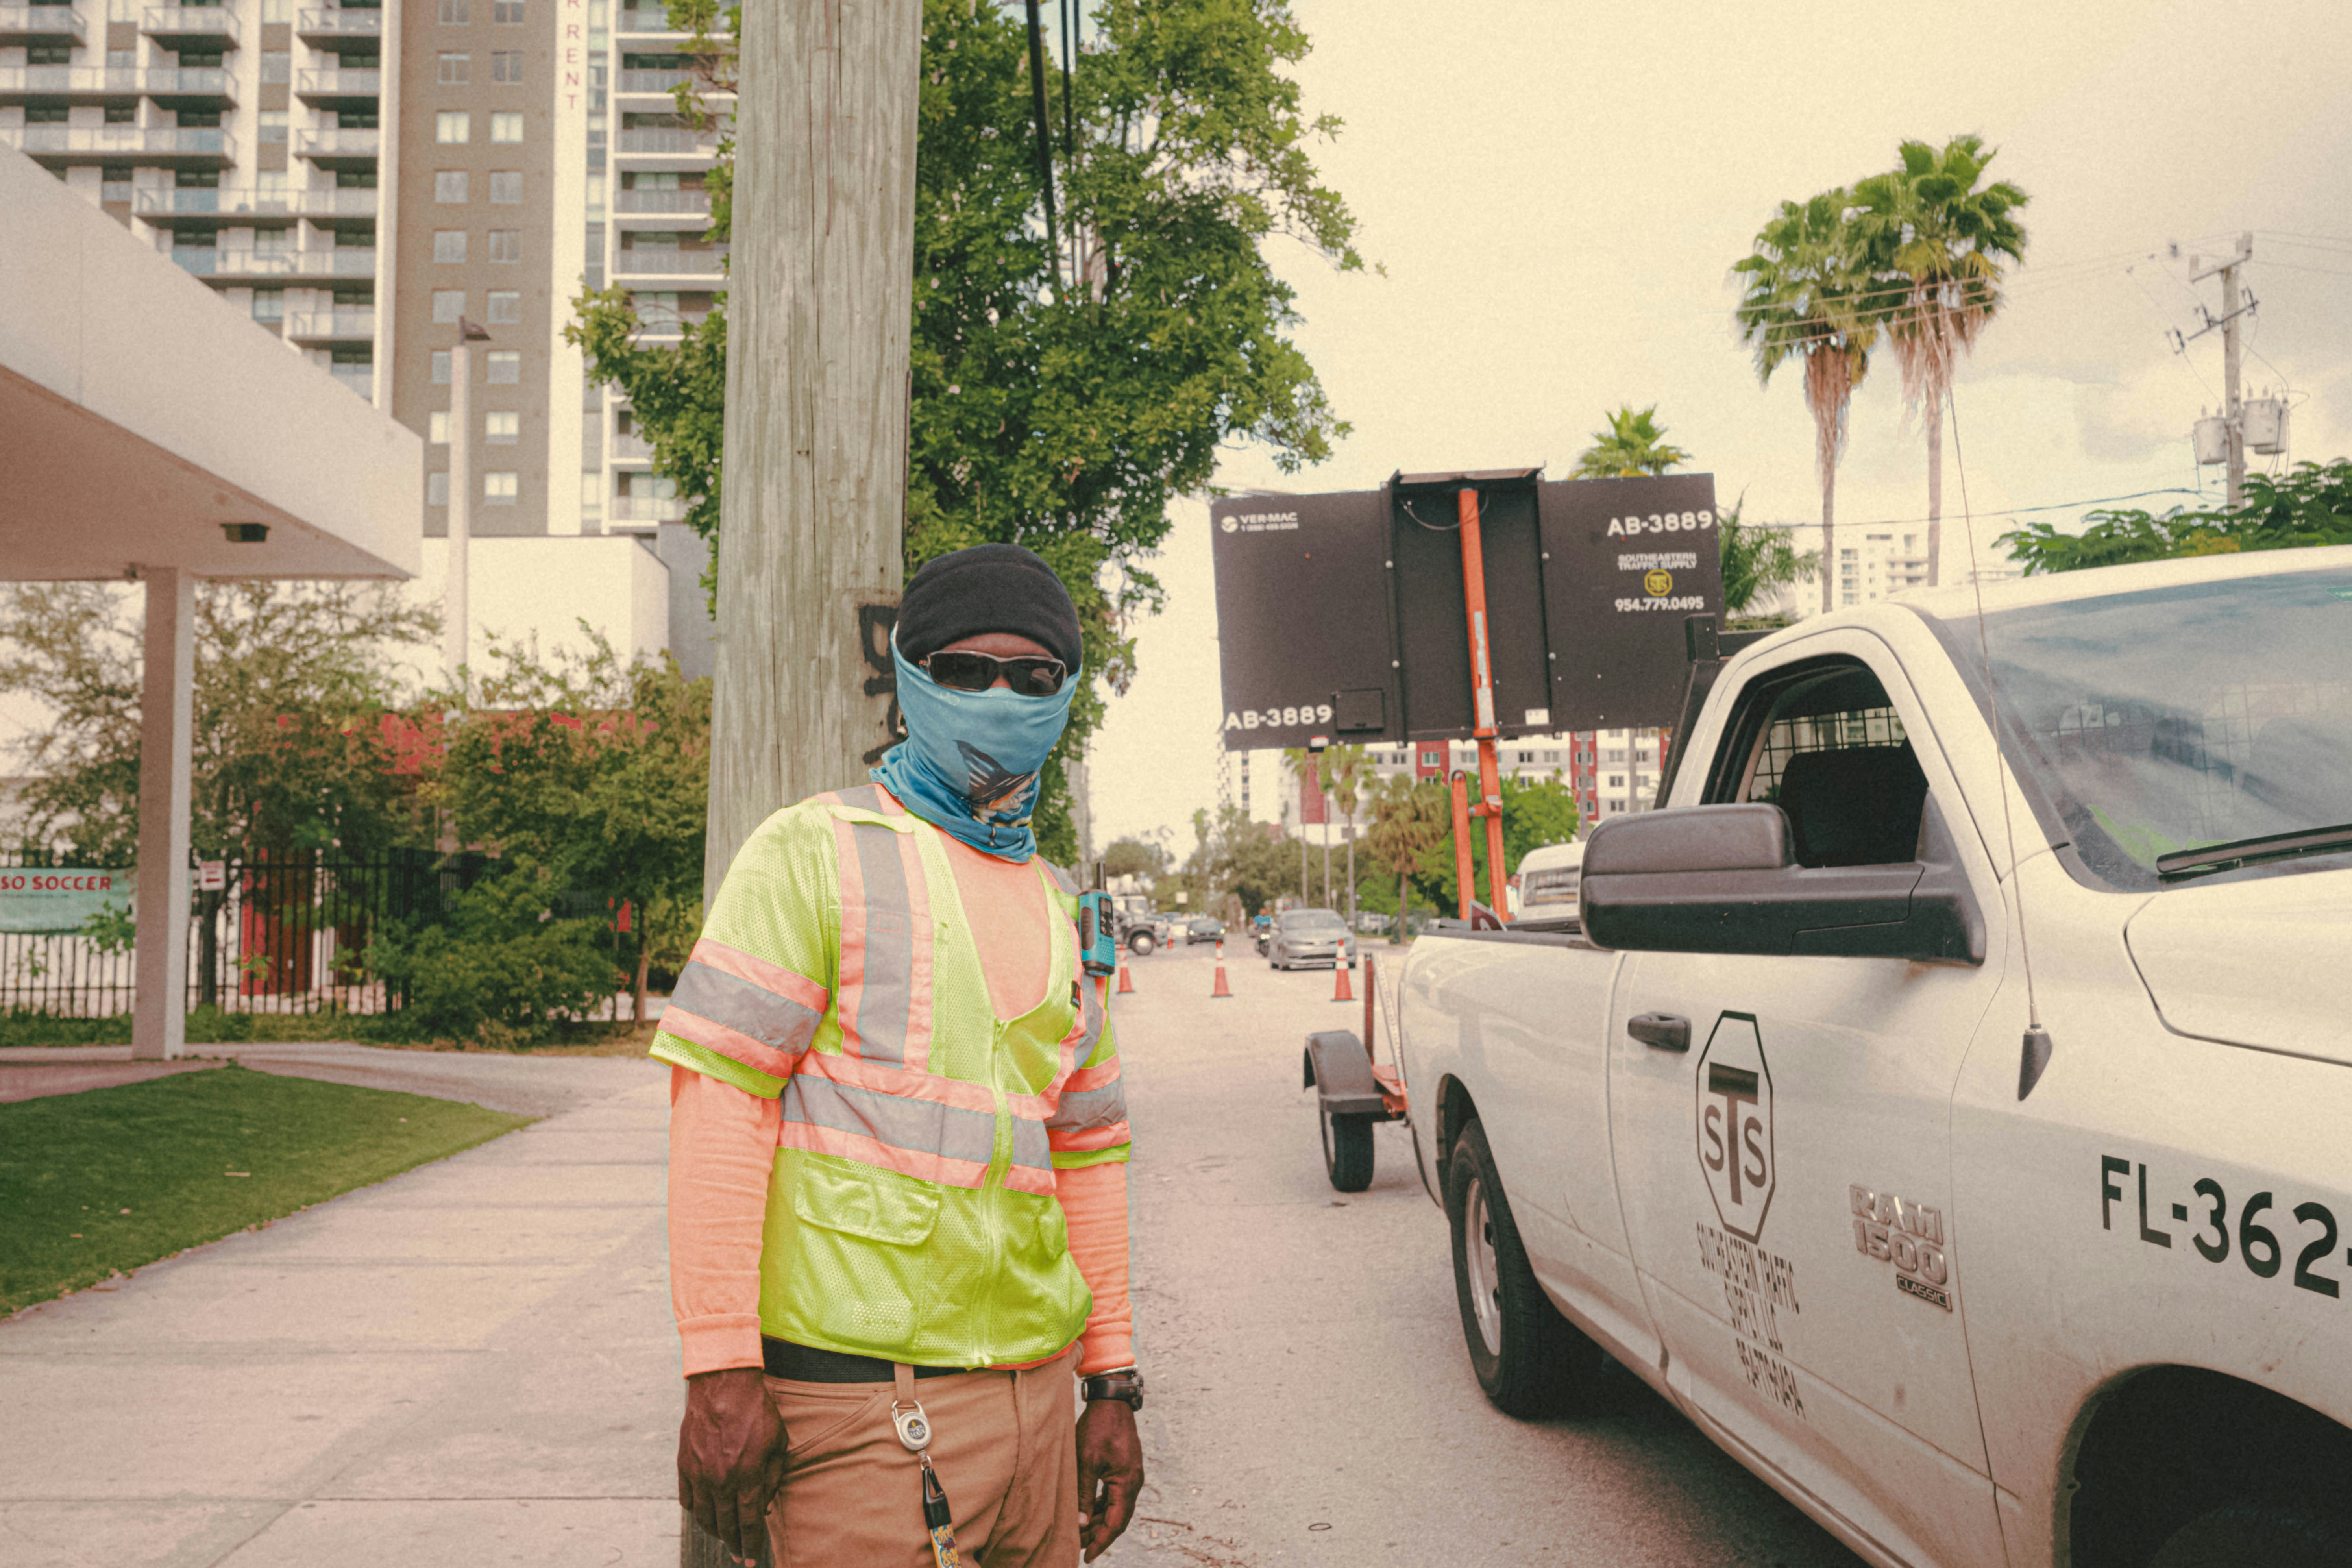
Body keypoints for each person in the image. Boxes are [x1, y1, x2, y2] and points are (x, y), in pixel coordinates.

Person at [655, 544, 1143, 1566]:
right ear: (911, 680)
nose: (999, 696)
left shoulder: (1068, 908)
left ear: (1066, 693)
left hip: (1041, 1410)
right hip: (864, 1414)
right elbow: (720, 1110)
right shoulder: (812, 852)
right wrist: (719, 1371)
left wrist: (1113, 1386)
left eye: (1032, 676)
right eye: (967, 670)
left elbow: (1089, 1159)